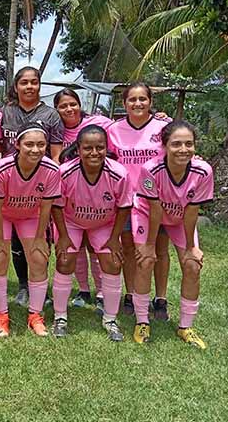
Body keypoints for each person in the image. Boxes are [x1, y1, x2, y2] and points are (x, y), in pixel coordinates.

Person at [131, 121, 213, 348]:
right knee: (146, 261)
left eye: (189, 144)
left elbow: (192, 211)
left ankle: (186, 327)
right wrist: (149, 245)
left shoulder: (203, 171)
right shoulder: (151, 169)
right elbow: (155, 210)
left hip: (180, 217)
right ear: (165, 146)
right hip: (147, 214)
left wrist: (191, 248)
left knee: (192, 265)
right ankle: (142, 321)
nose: (183, 149)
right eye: (176, 144)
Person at [51, 125, 132, 341]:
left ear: (106, 148)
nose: (94, 152)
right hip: (71, 222)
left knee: (113, 261)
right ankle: (60, 317)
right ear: (78, 149)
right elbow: (57, 205)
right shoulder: (65, 172)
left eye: (100, 147)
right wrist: (63, 236)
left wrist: (114, 239)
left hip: (103, 224)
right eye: (88, 148)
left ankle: (110, 319)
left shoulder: (119, 173)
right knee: (65, 260)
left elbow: (124, 206)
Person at [1, 67, 65, 308]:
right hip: (11, 182)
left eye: (34, 82)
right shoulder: (5, 112)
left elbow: (56, 154)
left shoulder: (51, 115)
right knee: (16, 241)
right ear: (16, 86)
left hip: (39, 184)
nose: (29, 87)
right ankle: (23, 286)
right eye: (24, 82)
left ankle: (41, 289)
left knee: (39, 240)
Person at [106, 83, 171, 319]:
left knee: (159, 249)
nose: (137, 103)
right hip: (126, 200)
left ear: (150, 101)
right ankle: (131, 294)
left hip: (158, 200)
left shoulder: (163, 127)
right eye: (132, 99)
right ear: (124, 104)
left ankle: (161, 298)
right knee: (129, 248)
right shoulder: (114, 130)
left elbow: (179, 152)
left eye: (142, 98)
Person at [0, 123, 61, 337]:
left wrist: (40, 238)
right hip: (3, 214)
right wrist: (0, 240)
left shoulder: (52, 169)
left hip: (31, 216)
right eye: (29, 144)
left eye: (41, 144)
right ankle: (1, 315)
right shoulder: (2, 168)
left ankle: (35, 315)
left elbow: (46, 206)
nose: (35, 149)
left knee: (38, 258)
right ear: (17, 145)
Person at [54, 88, 113, 310]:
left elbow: (125, 129)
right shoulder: (56, 129)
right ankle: (83, 289)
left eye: (73, 104)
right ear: (56, 109)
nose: (69, 109)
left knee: (96, 249)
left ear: (80, 105)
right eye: (63, 106)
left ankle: (101, 291)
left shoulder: (99, 123)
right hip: (71, 195)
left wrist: (159, 118)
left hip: (98, 194)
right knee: (75, 248)